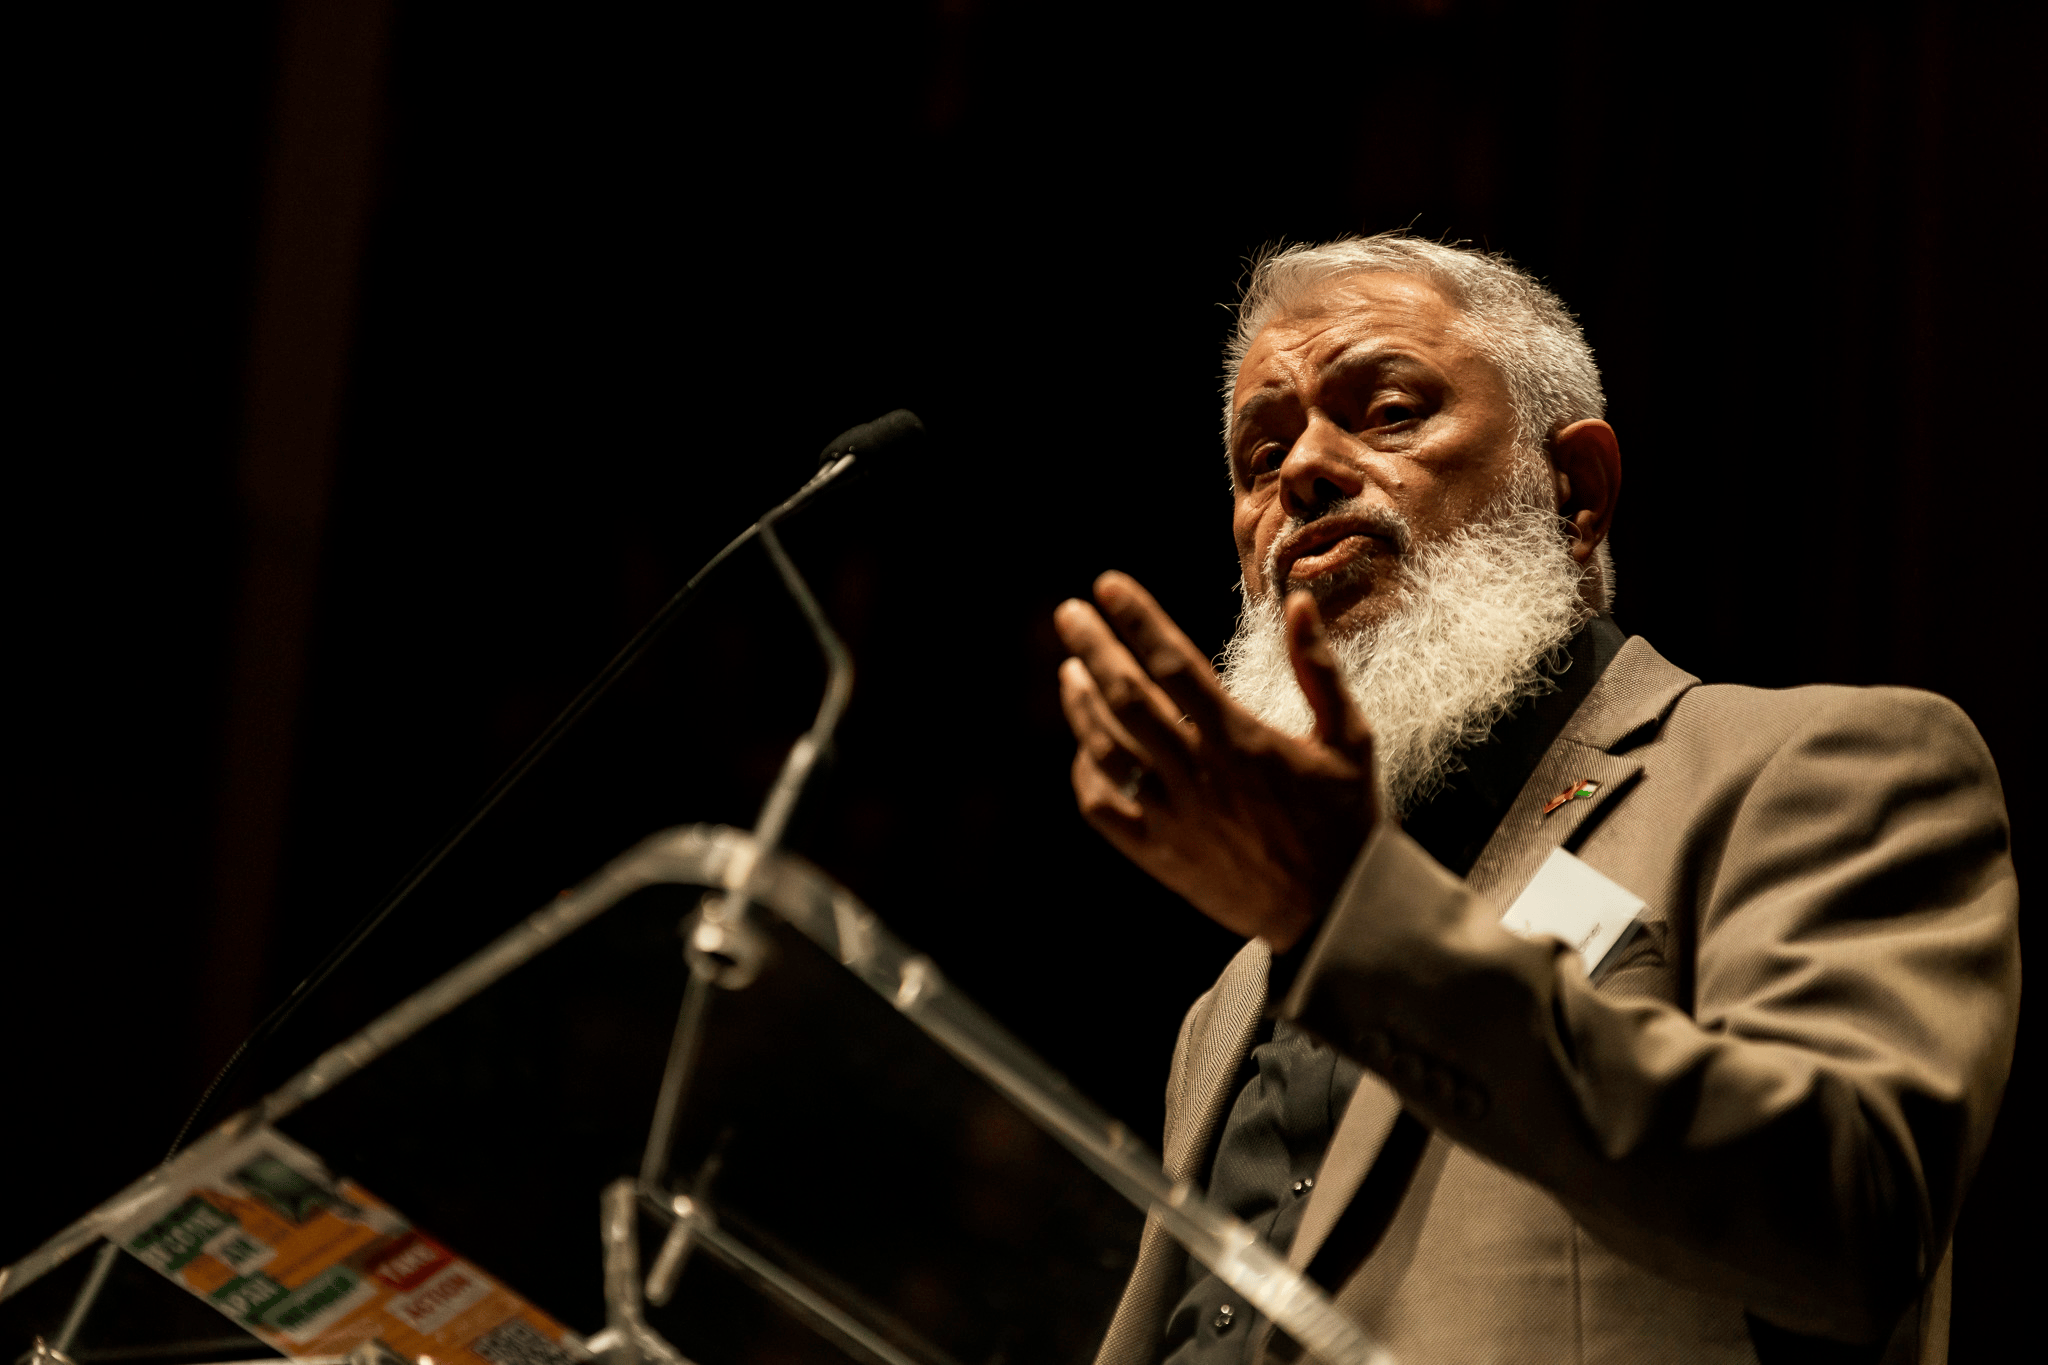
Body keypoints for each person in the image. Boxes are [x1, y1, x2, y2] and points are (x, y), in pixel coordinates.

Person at [1055, 234, 2019, 1365]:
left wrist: (1350, 923)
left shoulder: (1813, 767)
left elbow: (1847, 1215)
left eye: (1387, 411)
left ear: (1575, 491)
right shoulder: (1227, 1004)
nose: (1302, 472)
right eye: (1259, 457)